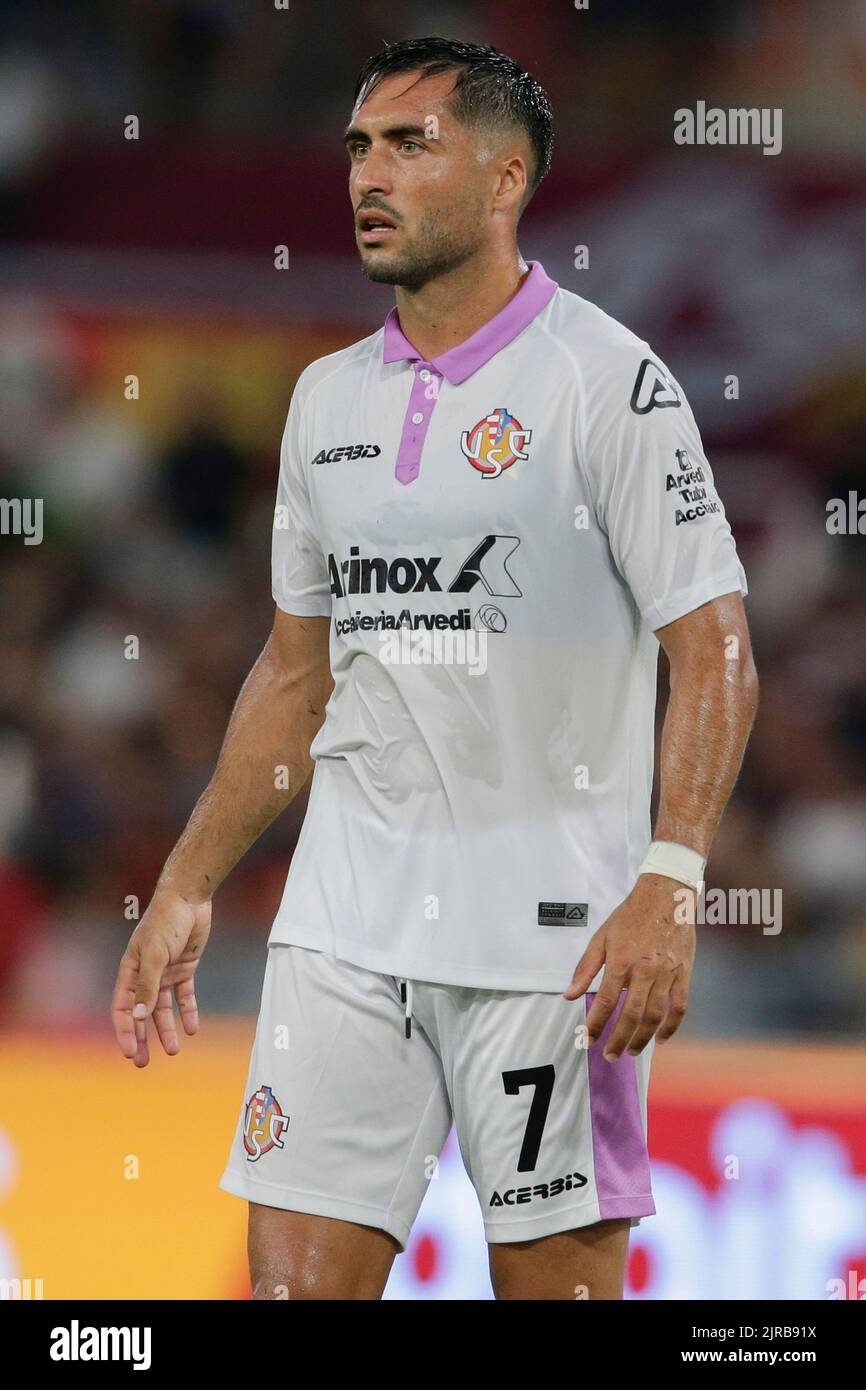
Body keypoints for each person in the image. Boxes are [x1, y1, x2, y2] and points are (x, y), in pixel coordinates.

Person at [111, 36, 758, 1300]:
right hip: (344, 927)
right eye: (358, 145)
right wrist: (188, 879)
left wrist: (671, 877)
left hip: (552, 945)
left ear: (506, 174)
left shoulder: (607, 384)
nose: (370, 172)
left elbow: (714, 644)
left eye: (412, 143)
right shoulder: (323, 403)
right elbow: (298, 675)